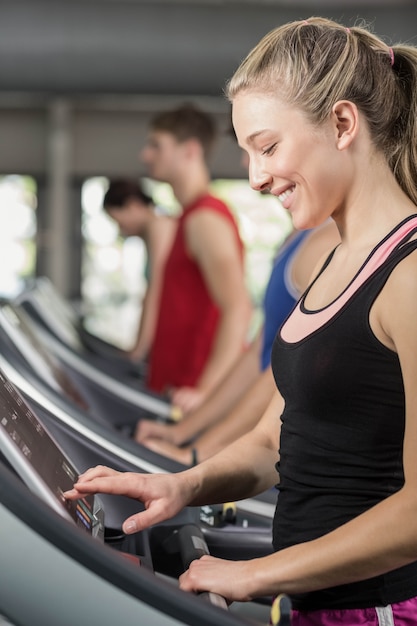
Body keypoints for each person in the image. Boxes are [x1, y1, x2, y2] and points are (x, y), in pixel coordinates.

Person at [65, 17, 417, 625]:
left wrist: (252, 574)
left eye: (268, 147)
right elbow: (270, 441)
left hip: (378, 611)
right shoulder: (335, 262)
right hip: (310, 605)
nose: (254, 177)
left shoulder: (409, 276)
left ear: (341, 124)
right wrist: (182, 484)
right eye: (248, 152)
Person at [135, 220, 340, 465]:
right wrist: (182, 432)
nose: (258, 181)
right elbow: (259, 354)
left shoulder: (329, 245)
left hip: (288, 463)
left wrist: (196, 453)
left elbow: (288, 372)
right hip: (265, 451)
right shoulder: (300, 236)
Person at [140, 103, 252, 413]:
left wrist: (205, 392)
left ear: (189, 150)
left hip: (193, 399)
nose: (145, 156)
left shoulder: (204, 219)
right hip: (175, 392)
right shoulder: (188, 217)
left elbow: (238, 308)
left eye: (156, 145)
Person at [102, 178, 177, 365]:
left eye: (118, 220)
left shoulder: (158, 226)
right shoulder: (156, 228)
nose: (121, 229)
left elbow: (157, 289)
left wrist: (139, 349)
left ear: (133, 205)